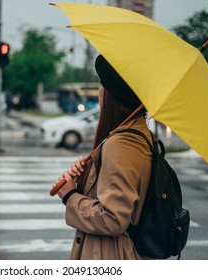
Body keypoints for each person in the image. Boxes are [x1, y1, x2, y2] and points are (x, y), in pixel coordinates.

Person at [53, 54, 153, 260]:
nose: (100, 91)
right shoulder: (137, 133)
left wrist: (70, 196)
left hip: (109, 255)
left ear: (113, 95)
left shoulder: (121, 144)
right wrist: (84, 181)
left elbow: (113, 218)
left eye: (102, 85)